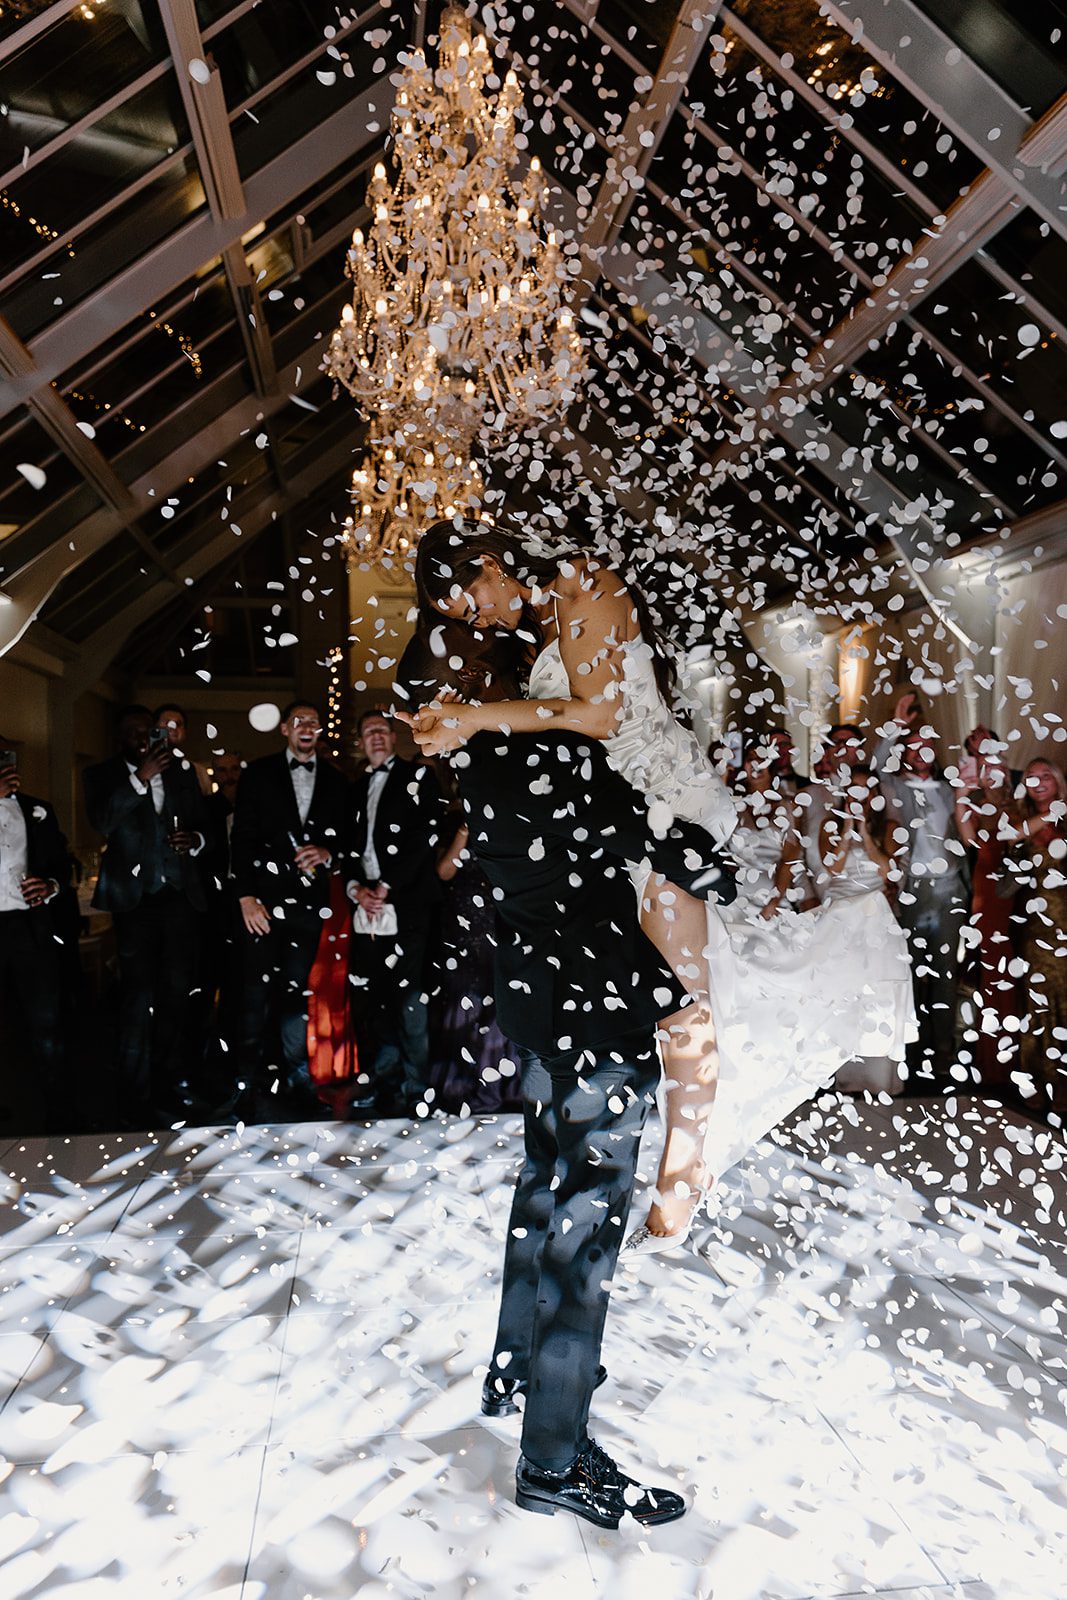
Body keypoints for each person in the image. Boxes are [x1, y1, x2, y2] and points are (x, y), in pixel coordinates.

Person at [406, 519, 910, 1257]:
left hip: (664, 804)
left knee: (683, 1003)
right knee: (655, 997)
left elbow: (597, 715)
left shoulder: (582, 583)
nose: (480, 619)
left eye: (471, 601)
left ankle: (681, 1183)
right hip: (615, 817)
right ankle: (672, 1163)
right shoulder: (526, 631)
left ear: (488, 563)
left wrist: (469, 719)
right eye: (465, 619)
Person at [395, 634, 735, 1529]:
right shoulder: (555, 759)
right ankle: (551, 1460)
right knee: (584, 1236)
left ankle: (514, 1373)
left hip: (541, 1008)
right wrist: (714, 841)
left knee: (544, 1191)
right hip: (598, 1010)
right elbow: (682, 859)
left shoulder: (482, 769)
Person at [84, 705, 210, 1127]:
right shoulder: (102, 775)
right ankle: (133, 1094)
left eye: (148, 729)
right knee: (138, 998)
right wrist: (140, 779)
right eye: (132, 730)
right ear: (120, 736)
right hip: (135, 901)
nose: (142, 736)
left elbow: (201, 821)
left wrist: (195, 840)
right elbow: (102, 820)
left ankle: (170, 1083)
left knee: (177, 995)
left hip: (178, 896)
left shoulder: (182, 771)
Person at [230, 701, 351, 1119]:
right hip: (260, 904)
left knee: (296, 994)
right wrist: (246, 897)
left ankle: (296, 1079)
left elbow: (349, 842)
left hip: (308, 908)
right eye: (298, 721)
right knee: (254, 993)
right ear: (284, 729)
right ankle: (247, 1083)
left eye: (313, 721)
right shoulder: (258, 773)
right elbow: (241, 838)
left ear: (320, 731)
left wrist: (328, 853)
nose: (306, 727)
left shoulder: (337, 781)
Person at [346, 707, 449, 1114]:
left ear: (393, 737)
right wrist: (358, 889)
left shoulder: (418, 778)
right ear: (360, 741)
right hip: (366, 909)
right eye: (368, 731)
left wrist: (386, 886)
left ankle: (416, 1088)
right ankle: (381, 1083)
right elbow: (346, 846)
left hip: (408, 906)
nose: (376, 736)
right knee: (371, 1000)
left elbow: (427, 836)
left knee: (410, 999)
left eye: (383, 730)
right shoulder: (355, 788)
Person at [873, 690, 970, 1084]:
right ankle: (911, 1047)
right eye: (912, 746)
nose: (920, 751)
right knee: (911, 969)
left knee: (946, 972)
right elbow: (877, 767)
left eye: (926, 744)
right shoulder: (897, 788)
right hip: (915, 890)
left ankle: (944, 1047)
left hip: (951, 890)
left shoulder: (950, 788)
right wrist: (896, 725)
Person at [819, 766, 917, 1094]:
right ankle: (843, 1075)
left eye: (865, 791)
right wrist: (848, 829)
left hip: (875, 917)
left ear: (874, 796)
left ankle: (878, 1077)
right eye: (853, 791)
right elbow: (829, 869)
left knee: (878, 995)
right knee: (842, 995)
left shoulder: (889, 827)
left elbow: (888, 872)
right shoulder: (828, 825)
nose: (858, 798)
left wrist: (864, 831)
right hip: (839, 920)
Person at [428, 808, 520, 1114]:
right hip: (464, 925)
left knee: (497, 1008)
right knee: (464, 1005)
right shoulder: (454, 820)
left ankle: (498, 1086)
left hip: (501, 921)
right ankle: (462, 1085)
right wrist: (465, 830)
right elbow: (443, 872)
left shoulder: (509, 817)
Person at [0, 740, 72, 1131]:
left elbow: (63, 865)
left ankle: (58, 1114)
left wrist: (51, 886)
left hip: (29, 925)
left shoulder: (38, 809)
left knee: (46, 1021)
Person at [954, 734, 1020, 1086]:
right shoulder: (977, 804)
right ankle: (996, 1064)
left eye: (995, 759)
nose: (990, 766)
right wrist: (963, 792)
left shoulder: (1023, 797)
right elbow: (967, 836)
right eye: (982, 761)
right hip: (990, 898)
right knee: (996, 978)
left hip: (1023, 900)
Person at [1014, 758, 1067, 1123]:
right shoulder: (1022, 823)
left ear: (1058, 781)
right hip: (1040, 926)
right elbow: (1004, 837)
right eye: (1031, 777)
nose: (1039, 782)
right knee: (1042, 1004)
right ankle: (1041, 1080)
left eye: (1046, 775)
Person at [154, 703, 212, 797]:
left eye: (179, 724)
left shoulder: (198, 771)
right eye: (167, 723)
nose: (173, 728)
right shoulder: (142, 767)